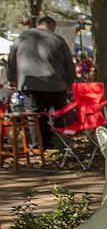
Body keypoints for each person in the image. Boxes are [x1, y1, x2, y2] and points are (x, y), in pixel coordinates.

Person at [5, 15, 76, 145]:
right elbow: (69, 64)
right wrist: (70, 82)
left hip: (29, 84)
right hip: (55, 84)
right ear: (52, 26)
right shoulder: (58, 40)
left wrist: (12, 78)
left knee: (34, 116)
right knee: (58, 114)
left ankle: (37, 146)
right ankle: (57, 141)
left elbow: (12, 58)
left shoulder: (23, 37)